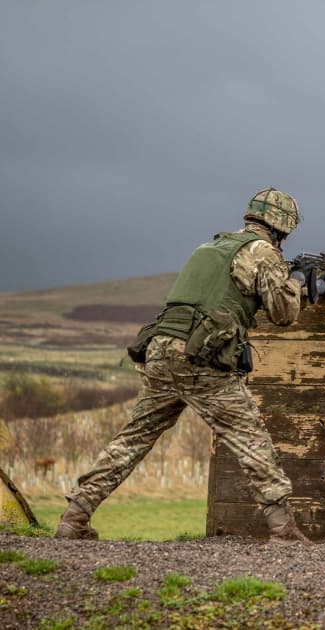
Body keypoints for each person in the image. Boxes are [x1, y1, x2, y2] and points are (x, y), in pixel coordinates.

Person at [56, 188, 311, 544]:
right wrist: (296, 285)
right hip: (202, 359)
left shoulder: (209, 247)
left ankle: (75, 516)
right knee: (250, 438)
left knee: (134, 437)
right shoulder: (263, 253)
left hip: (159, 351)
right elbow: (284, 314)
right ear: (283, 229)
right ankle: (284, 529)